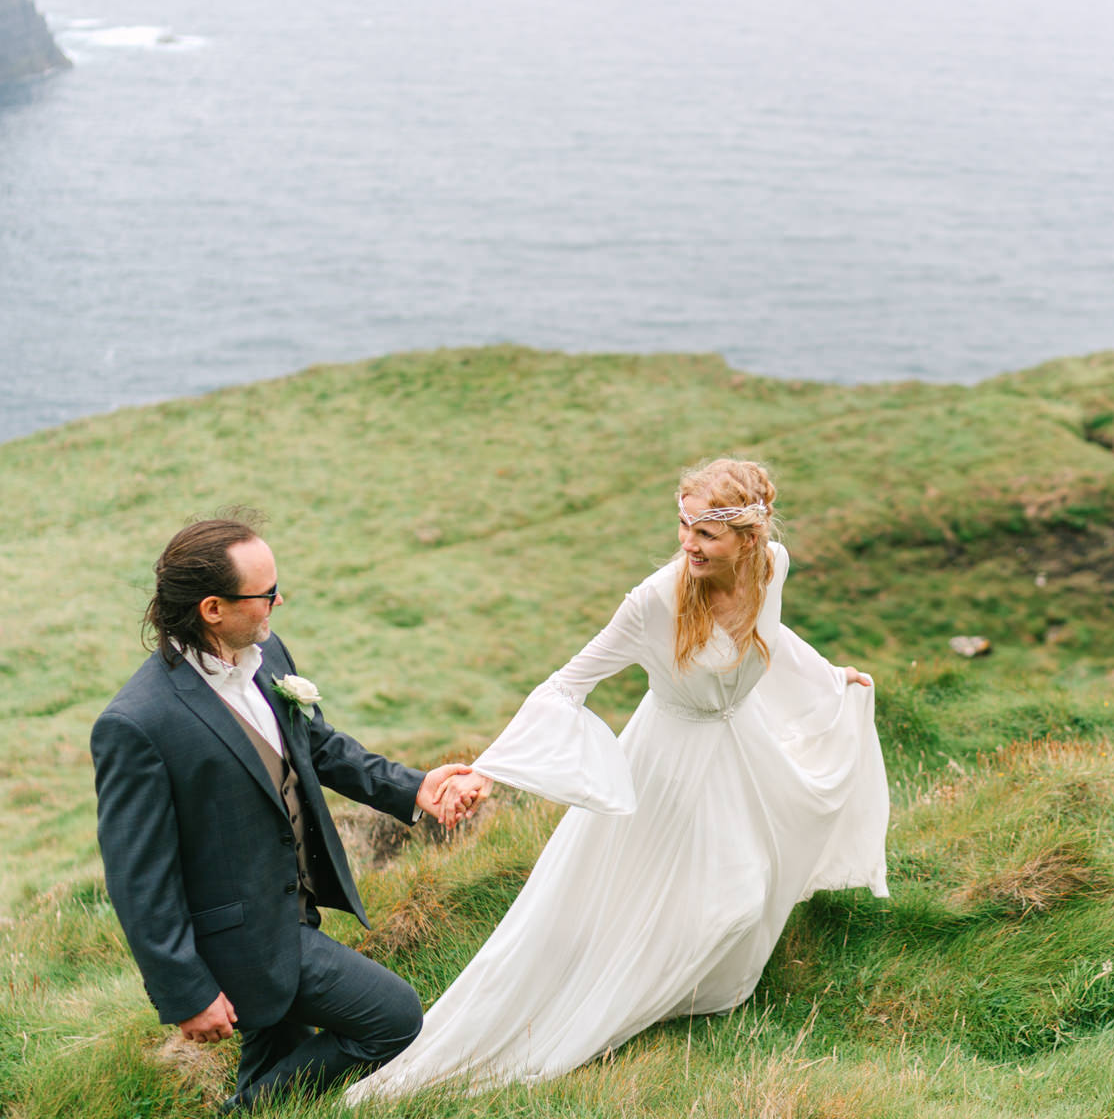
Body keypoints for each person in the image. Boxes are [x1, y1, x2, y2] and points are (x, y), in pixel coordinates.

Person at [346, 458, 888, 1101]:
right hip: (669, 757)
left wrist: (831, 677)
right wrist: (492, 768)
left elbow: (770, 633)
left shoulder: (772, 564)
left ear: (749, 539)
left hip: (741, 744)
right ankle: (627, 997)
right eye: (683, 526)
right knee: (721, 895)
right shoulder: (653, 601)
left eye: (705, 534)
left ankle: (694, 987)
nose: (688, 543)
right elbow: (565, 685)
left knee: (750, 883)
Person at [90, 512, 482, 1112]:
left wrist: (414, 787)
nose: (279, 601)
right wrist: (186, 991)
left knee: (278, 1074)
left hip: (291, 916)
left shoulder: (267, 656)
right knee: (394, 1018)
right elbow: (139, 878)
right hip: (239, 944)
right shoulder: (137, 724)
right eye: (266, 593)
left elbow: (317, 746)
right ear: (212, 608)